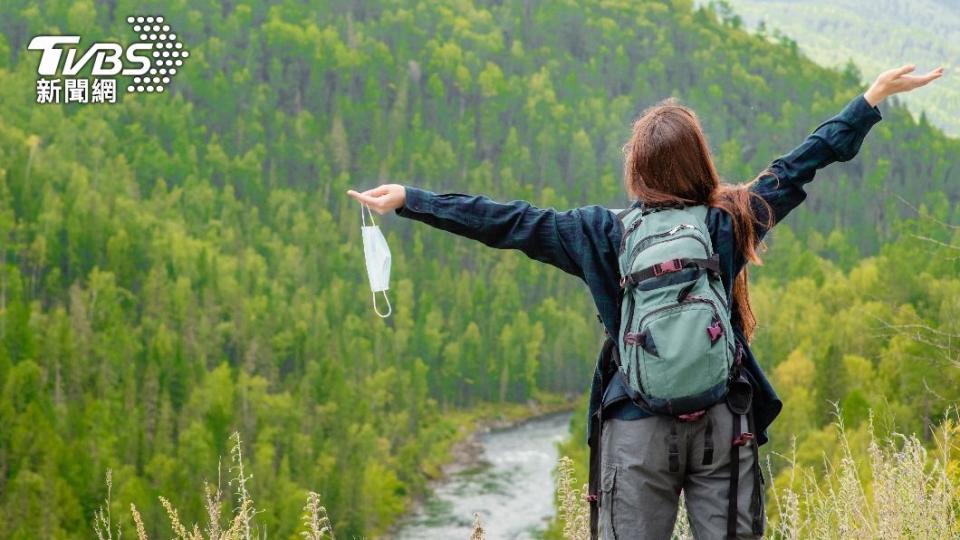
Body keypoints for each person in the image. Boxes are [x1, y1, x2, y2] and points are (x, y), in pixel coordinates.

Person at [347, 64, 942, 539]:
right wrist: (868, 102)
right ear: (698, 162)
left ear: (636, 169)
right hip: (722, 422)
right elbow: (799, 166)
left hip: (634, 429)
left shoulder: (597, 233)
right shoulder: (729, 218)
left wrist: (412, 200)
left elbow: (508, 222)